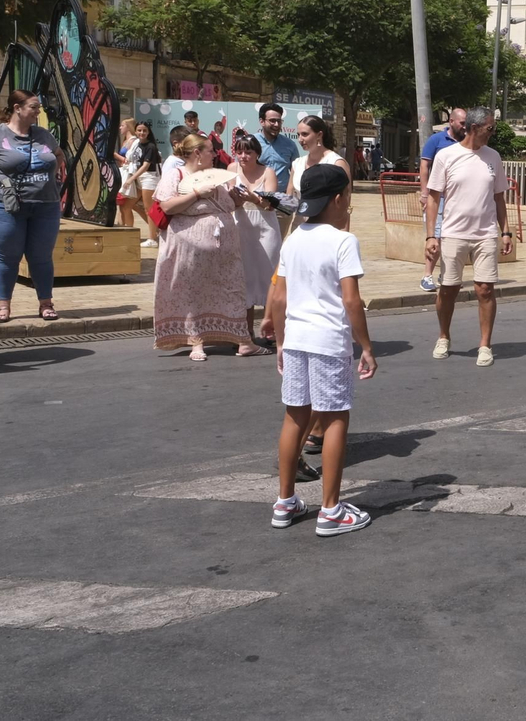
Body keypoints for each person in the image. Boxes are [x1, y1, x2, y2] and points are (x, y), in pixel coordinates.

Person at [266, 163, 376, 535]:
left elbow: (279, 297)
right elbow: (351, 300)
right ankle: (331, 509)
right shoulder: (343, 241)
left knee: (294, 416)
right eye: (347, 197)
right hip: (329, 340)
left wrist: (280, 342)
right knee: (334, 419)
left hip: (296, 338)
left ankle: (285, 501)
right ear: (338, 198)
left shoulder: (293, 238)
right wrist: (366, 346)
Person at [153, 133, 261, 361]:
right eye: (211, 150)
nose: (215, 154)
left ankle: (242, 340)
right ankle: (196, 342)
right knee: (192, 293)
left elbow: (227, 205)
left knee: (231, 290)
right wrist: (195, 193)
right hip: (188, 248)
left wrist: (236, 198)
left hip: (223, 251)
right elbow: (167, 206)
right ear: (197, 153)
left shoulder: (212, 175)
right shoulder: (176, 174)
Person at [425, 107, 512, 367]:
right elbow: (433, 198)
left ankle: (485, 344)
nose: (493, 132)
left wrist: (505, 231)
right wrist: (431, 236)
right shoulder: (446, 156)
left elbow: (499, 197)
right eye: (490, 128)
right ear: (474, 128)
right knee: (448, 289)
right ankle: (444, 336)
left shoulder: (493, 157)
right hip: (453, 233)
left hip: (485, 233)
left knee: (485, 289)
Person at [0, 89, 66, 323]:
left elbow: (58, 154)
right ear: (17, 108)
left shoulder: (44, 135)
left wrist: (55, 176)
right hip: (6, 205)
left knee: (41, 257)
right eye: (34, 107)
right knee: (8, 256)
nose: (39, 112)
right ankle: (3, 306)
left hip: (45, 205)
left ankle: (46, 304)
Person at [231, 133, 283, 352]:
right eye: (240, 151)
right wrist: (235, 199)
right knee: (245, 278)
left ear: (257, 154)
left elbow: (271, 205)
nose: (243, 156)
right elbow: (226, 199)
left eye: (248, 152)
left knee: (270, 277)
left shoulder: (268, 172)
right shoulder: (231, 170)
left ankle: (273, 327)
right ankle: (246, 331)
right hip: (240, 226)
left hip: (265, 227)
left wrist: (251, 197)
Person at [417, 108, 467, 292]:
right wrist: (424, 193)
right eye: (462, 123)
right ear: (451, 122)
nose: (464, 127)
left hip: (458, 200)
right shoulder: (436, 140)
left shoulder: (466, 142)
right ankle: (427, 276)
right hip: (438, 198)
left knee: (452, 239)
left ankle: (447, 275)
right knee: (435, 237)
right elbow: (424, 166)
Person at [288, 115, 349, 233]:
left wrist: (343, 234)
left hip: (328, 228)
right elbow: (289, 198)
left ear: (319, 135)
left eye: (305, 134)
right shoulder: (297, 163)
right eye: (298, 135)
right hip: (300, 227)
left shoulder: (336, 163)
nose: (300, 139)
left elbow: (345, 203)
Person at [123, 123, 162, 246]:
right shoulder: (137, 144)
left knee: (149, 209)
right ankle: (155, 230)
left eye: (144, 130)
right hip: (139, 178)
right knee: (128, 205)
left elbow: (146, 166)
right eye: (139, 130)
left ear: (148, 132)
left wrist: (131, 179)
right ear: (135, 131)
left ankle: (152, 239)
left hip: (149, 178)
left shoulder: (150, 146)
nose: (141, 133)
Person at [254, 102, 301, 192]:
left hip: (282, 198)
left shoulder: (290, 145)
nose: (276, 125)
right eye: (272, 121)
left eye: (279, 121)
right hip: (256, 197)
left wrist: (289, 196)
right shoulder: (251, 143)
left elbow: (296, 173)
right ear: (262, 121)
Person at [114, 118, 140, 229]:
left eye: (122, 125)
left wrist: (114, 155)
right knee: (122, 205)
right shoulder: (125, 140)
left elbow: (128, 160)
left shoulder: (134, 141)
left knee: (127, 207)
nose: (120, 128)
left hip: (130, 176)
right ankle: (121, 228)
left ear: (128, 127)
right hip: (123, 174)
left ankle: (129, 229)